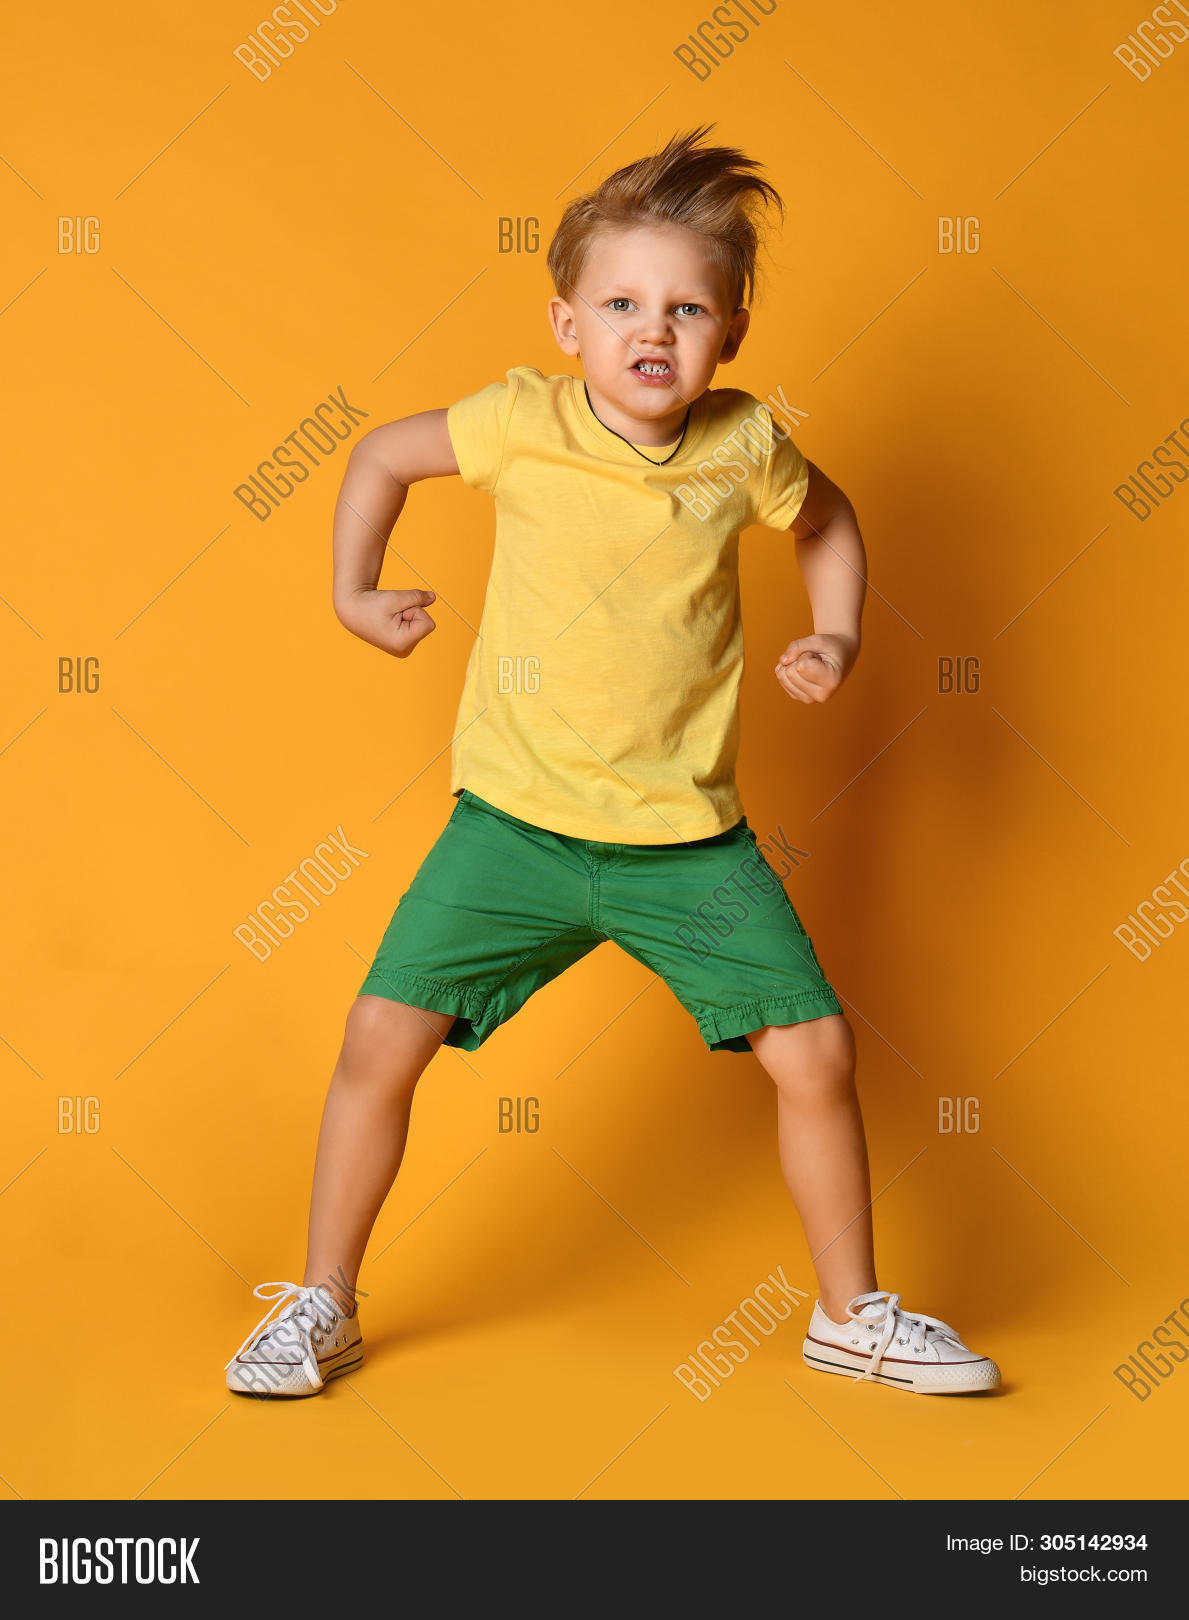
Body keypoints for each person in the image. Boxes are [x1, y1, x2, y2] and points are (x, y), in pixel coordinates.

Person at [225, 125, 1000, 1400]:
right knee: (379, 1034)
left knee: (813, 1054)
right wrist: (352, 593)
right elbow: (377, 454)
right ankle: (322, 1303)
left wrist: (838, 631)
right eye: (624, 303)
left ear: (731, 333)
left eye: (689, 307)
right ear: (568, 324)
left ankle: (852, 1313)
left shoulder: (743, 444)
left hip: (685, 847)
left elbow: (831, 517)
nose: (657, 329)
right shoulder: (519, 422)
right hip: (515, 831)